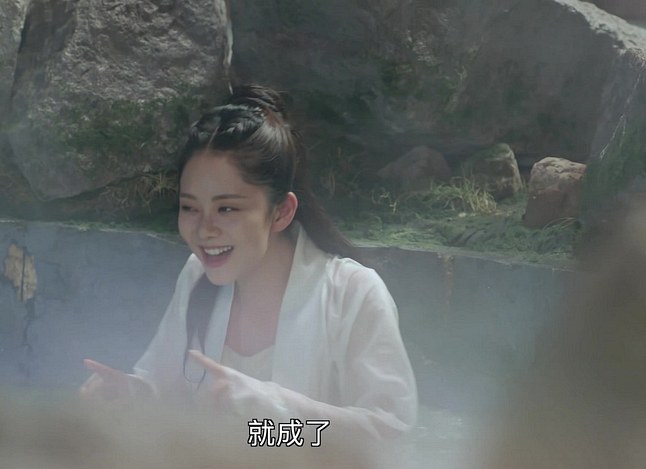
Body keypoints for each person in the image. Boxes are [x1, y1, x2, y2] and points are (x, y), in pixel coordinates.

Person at [80, 84, 418, 446]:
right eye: (190, 207)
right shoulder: (197, 274)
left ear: (281, 211)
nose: (204, 229)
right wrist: (131, 397)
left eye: (227, 208)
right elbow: (166, 393)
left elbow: (389, 436)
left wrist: (274, 413)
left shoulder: (353, 293)